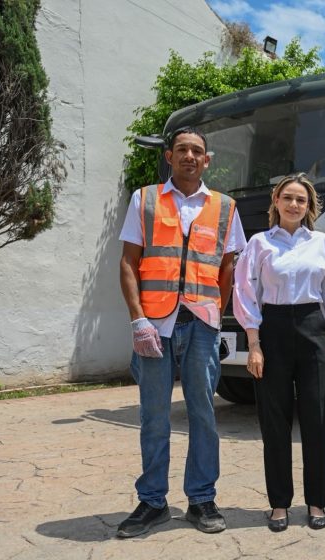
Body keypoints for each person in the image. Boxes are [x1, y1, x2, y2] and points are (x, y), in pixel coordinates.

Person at [117, 126, 246, 538]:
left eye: (198, 151)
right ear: (169, 156)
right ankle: (153, 502)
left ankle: (202, 498)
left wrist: (216, 313)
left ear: (207, 161)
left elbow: (228, 267)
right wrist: (138, 319)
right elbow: (128, 263)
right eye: (183, 150)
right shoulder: (146, 199)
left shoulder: (225, 206)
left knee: (203, 414)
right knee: (154, 416)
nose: (190, 156)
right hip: (154, 326)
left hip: (201, 326)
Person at [233, 174, 325, 532]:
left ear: (309, 207)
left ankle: (316, 503)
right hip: (272, 330)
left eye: (302, 200)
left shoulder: (322, 243)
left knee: (317, 418)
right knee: (274, 421)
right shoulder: (260, 243)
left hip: (312, 329)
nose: (295, 205)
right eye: (288, 198)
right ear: (276, 201)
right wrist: (254, 344)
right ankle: (279, 504)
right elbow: (245, 293)